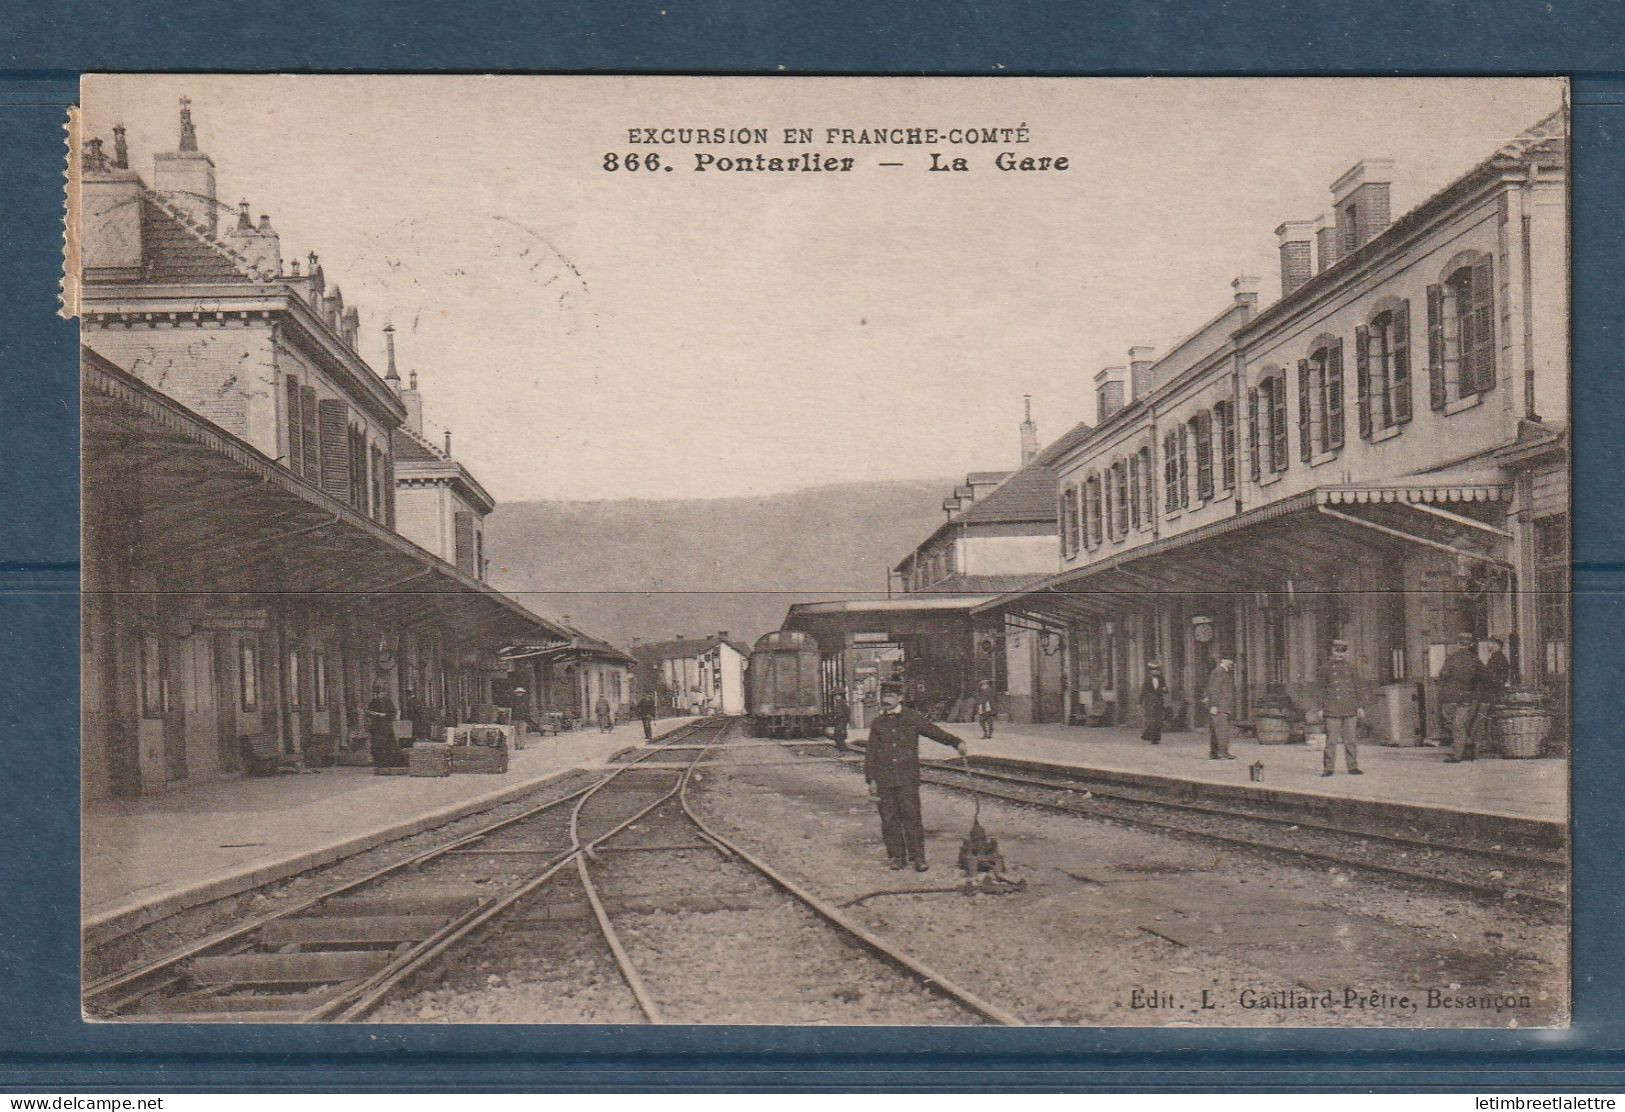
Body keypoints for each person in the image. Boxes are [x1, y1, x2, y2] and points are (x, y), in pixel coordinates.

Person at [864, 681, 968, 872]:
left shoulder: (912, 718)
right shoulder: (878, 723)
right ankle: (897, 857)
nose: (886, 701)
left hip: (907, 779)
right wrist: (871, 779)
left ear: (899, 698)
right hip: (885, 779)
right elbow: (871, 753)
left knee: (912, 817)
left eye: (890, 697)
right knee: (889, 819)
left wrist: (956, 742)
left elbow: (934, 732)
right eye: (884, 697)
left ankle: (918, 857)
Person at [1317, 639, 1366, 777]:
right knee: (1331, 740)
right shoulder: (1324, 668)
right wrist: (1320, 708)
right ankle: (1328, 768)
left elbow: (1359, 687)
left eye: (1342, 651)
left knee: (1351, 740)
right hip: (1332, 709)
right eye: (1337, 650)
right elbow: (1320, 689)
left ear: (1346, 652)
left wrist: (1360, 706)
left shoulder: (1352, 667)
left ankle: (1352, 766)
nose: (1339, 654)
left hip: (1350, 708)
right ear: (1332, 650)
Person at [1437, 632, 1488, 763]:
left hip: (1450, 697)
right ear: (1470, 644)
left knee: (1450, 723)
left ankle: (1459, 751)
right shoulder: (1474, 659)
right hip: (1466, 697)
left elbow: (1443, 674)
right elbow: (1485, 675)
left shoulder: (1451, 658)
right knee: (1460, 724)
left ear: (1457, 643)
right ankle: (1464, 746)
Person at [1205, 655, 1237, 760]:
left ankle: (1214, 752)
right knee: (1222, 730)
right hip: (1220, 706)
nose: (1231, 662)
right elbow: (1214, 689)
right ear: (1223, 660)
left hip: (1223, 706)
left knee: (1216, 730)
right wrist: (1214, 705)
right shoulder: (1219, 671)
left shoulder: (1226, 671)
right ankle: (1222, 752)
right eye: (1229, 659)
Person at [365, 682, 403, 768]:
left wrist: (385, 715)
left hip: (386, 726)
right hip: (376, 726)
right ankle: (379, 763)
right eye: (377, 693)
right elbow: (368, 713)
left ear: (384, 693)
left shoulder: (388, 702)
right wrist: (374, 714)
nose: (378, 695)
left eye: (380, 692)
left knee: (388, 744)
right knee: (377, 745)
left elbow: (393, 713)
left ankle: (390, 762)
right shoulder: (373, 702)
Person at [1139, 661, 1168, 744]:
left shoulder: (1161, 679)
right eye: (1154, 670)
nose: (1156, 671)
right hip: (1150, 702)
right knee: (1152, 720)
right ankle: (1153, 739)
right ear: (1150, 671)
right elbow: (1143, 691)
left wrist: (1165, 689)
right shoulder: (1147, 679)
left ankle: (1149, 736)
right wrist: (1139, 702)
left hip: (1159, 702)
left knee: (1158, 720)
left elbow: (1166, 690)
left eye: (1157, 670)